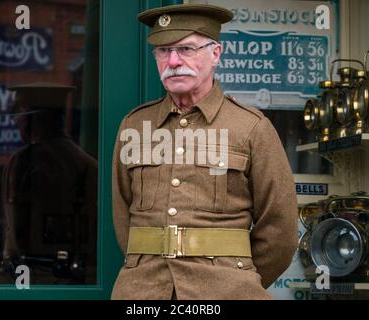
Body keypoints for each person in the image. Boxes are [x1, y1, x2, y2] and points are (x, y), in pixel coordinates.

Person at [111, 4, 298, 299]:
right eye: (163, 51)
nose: (173, 61)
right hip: (143, 292)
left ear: (215, 54)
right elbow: (123, 216)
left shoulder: (251, 127)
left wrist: (237, 279)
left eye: (186, 49)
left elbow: (281, 232)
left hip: (225, 292)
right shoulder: (135, 124)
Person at [0, 83, 98, 284]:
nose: (17, 123)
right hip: (79, 279)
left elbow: (18, 234)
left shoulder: (26, 160)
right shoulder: (88, 163)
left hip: (33, 278)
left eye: (19, 114)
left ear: (33, 118)